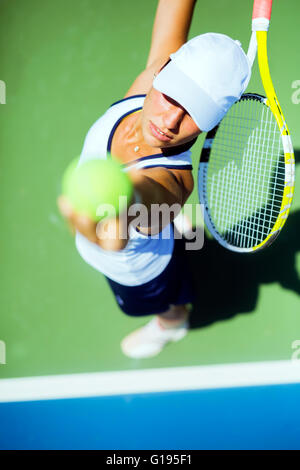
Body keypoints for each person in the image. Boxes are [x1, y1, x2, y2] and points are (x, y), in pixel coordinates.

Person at [58, 0, 251, 358]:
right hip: (143, 227)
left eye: (195, 112)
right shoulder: (151, 78)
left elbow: (114, 235)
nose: (170, 121)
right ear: (163, 70)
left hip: (141, 271)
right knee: (173, 235)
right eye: (173, 96)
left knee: (165, 300)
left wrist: (88, 223)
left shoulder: (168, 186)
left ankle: (173, 325)